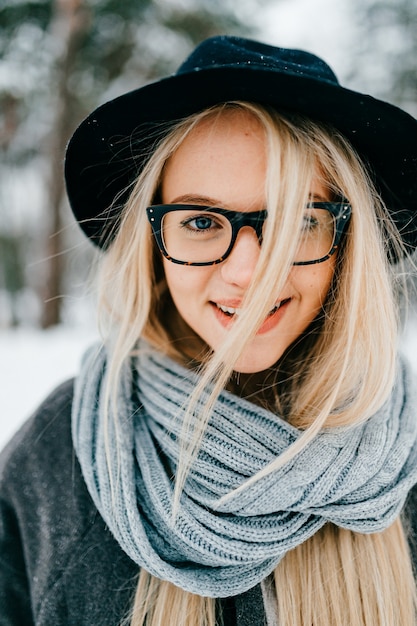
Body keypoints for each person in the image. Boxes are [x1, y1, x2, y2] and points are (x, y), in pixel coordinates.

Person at [1, 35, 417, 626]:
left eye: (299, 218)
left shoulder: (408, 457)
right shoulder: (56, 460)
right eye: (199, 220)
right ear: (153, 247)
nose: (249, 272)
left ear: (348, 244)